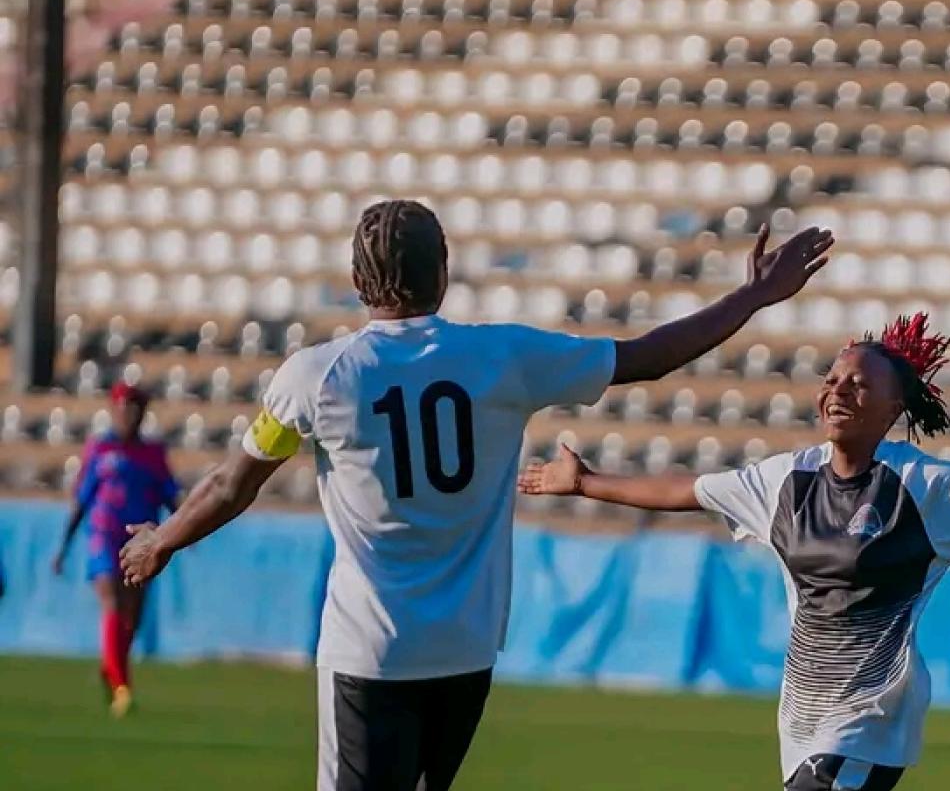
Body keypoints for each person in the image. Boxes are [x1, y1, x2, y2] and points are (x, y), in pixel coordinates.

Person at [119, 199, 834, 791]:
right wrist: (756, 294)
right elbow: (646, 359)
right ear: (445, 273)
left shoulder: (315, 377)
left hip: (372, 650)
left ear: (359, 280)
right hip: (466, 647)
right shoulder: (504, 357)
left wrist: (161, 539)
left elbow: (231, 484)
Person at [519, 312, 950, 791]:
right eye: (833, 379)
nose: (839, 389)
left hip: (874, 714)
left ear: (894, 409)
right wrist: (585, 482)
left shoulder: (925, 487)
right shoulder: (783, 480)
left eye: (860, 382)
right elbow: (687, 492)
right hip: (801, 714)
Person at [53, 381, 180, 717]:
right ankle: (123, 687)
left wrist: (183, 532)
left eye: (134, 408)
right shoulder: (99, 449)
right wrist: (64, 547)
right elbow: (81, 500)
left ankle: (110, 665)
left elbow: (170, 496)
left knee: (132, 617)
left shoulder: (153, 454)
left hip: (141, 542)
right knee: (111, 601)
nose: (128, 415)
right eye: (122, 408)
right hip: (103, 537)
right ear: (113, 411)